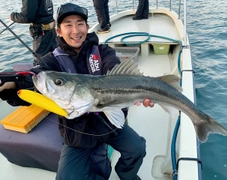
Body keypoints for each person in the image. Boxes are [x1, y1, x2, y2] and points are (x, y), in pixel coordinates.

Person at [0, 3, 154, 180]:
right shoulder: (52, 61)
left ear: (87, 28)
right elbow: (35, 76)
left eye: (80, 23)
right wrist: (12, 84)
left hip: (109, 125)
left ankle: (128, 176)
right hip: (77, 133)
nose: (75, 30)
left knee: (137, 149)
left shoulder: (103, 51)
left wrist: (137, 92)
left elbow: (114, 69)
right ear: (58, 31)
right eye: (68, 25)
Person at [9, 0, 57, 65]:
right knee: (54, 58)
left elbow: (27, 17)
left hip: (42, 35)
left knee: (41, 62)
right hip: (51, 31)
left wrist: (12, 16)